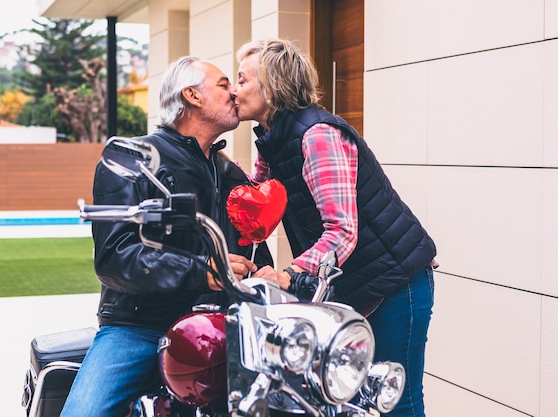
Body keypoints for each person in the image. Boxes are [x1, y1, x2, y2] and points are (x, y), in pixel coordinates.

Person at [60, 56, 273, 417]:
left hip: (221, 326)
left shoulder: (229, 173)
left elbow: (250, 247)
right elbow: (115, 257)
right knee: (83, 412)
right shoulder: (131, 158)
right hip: (140, 325)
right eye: (224, 85)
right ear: (192, 95)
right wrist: (202, 271)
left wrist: (265, 272)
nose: (234, 93)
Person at [236, 38, 438, 417]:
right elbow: (253, 199)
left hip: (396, 283)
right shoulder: (274, 141)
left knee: (397, 403)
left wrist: (289, 274)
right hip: (359, 284)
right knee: (349, 402)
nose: (234, 89)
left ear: (271, 86)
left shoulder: (317, 135)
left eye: (243, 80)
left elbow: (341, 231)